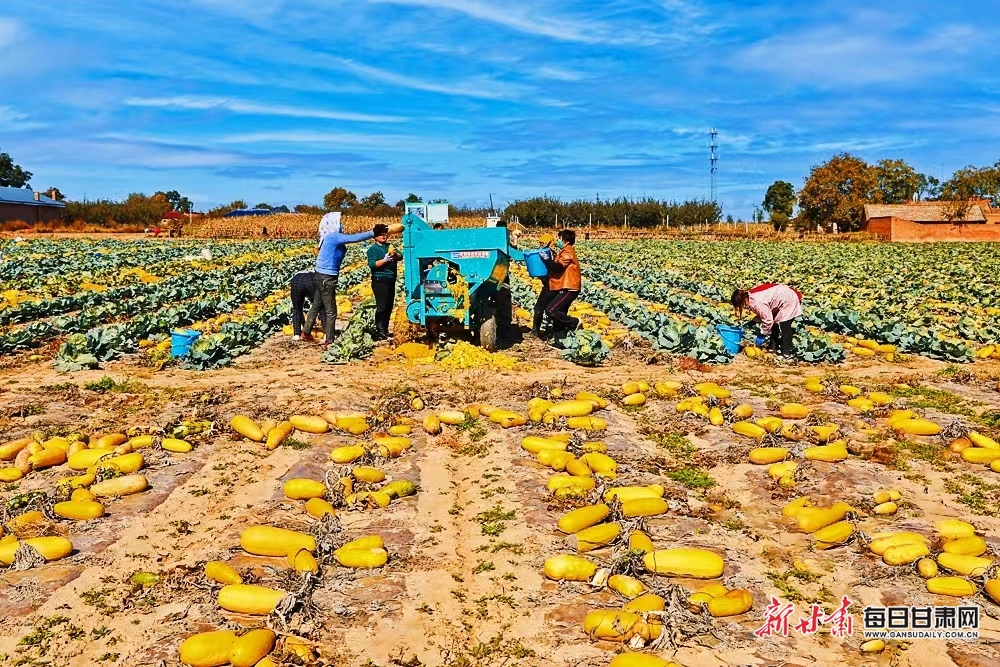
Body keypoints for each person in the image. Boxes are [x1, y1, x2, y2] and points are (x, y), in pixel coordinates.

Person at [304, 218, 403, 347]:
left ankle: (305, 332)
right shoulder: (333, 237)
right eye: (338, 223)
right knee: (331, 311)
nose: (341, 226)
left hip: (321, 275)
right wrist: (373, 232)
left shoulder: (327, 237)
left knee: (317, 304)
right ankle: (329, 341)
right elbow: (355, 238)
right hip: (326, 277)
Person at [730, 284, 803, 357]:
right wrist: (753, 321)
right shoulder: (750, 297)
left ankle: (786, 352)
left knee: (785, 325)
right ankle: (773, 347)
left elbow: (768, 320)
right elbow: (763, 313)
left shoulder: (757, 302)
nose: (743, 307)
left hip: (788, 299)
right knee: (774, 324)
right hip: (780, 297)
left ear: (745, 300)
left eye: (741, 305)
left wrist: (762, 334)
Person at [543, 229, 582, 338]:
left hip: (570, 288)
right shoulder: (564, 251)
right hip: (566, 286)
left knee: (551, 310)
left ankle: (574, 322)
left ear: (567, 241)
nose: (557, 241)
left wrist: (547, 260)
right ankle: (560, 340)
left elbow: (558, 267)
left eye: (560, 239)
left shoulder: (567, 251)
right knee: (560, 313)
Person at [367, 224, 402, 341]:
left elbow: (401, 256)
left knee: (389, 306)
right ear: (375, 237)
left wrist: (395, 255)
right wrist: (384, 260)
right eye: (381, 234)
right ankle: (380, 331)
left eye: (385, 234)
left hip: (391, 279)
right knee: (381, 307)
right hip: (380, 280)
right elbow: (372, 264)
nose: (384, 236)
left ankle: (385, 330)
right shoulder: (373, 249)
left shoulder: (389, 246)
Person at [531, 233, 558, 337]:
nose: (541, 245)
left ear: (549, 242)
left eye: (543, 243)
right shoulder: (551, 252)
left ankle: (535, 331)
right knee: (551, 308)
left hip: (550, 285)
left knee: (539, 308)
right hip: (551, 283)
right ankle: (554, 329)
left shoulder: (549, 253)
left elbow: (550, 267)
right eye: (540, 243)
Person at [290, 270, 325, 341]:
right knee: (320, 306)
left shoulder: (297, 275)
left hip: (296, 280)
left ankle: (296, 334)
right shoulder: (316, 274)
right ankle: (327, 333)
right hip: (311, 280)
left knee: (297, 308)